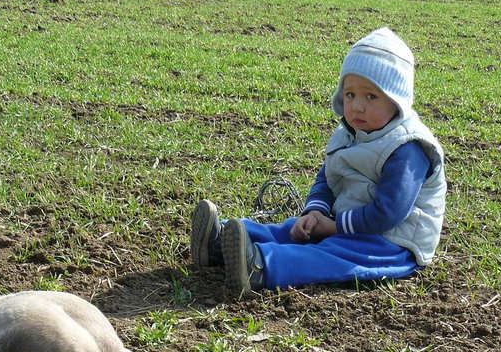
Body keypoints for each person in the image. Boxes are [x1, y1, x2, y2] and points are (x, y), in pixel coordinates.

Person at [190, 27, 446, 295]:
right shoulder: (349, 134)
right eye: (350, 95)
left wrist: (334, 227)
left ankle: (260, 265)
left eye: (371, 96)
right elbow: (328, 178)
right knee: (292, 230)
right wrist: (316, 213)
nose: (357, 106)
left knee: (328, 255)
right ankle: (218, 243)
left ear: (397, 100)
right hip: (347, 224)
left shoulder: (408, 147)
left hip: (390, 243)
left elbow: (388, 213)